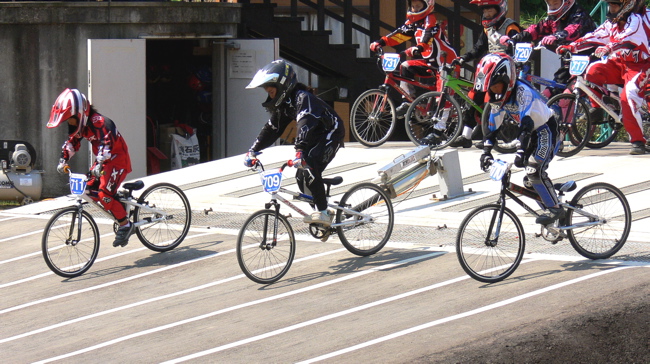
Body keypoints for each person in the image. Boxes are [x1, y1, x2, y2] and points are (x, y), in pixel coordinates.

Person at [244, 60, 345, 227]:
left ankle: (324, 213)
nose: (270, 96)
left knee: (310, 164)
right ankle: (321, 211)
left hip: (331, 132)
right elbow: (272, 129)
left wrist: (299, 150)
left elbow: (305, 123)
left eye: (271, 91)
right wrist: (252, 151)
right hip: (314, 136)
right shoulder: (285, 104)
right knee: (301, 176)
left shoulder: (303, 98)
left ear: (282, 86)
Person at [476, 53, 565, 225]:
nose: (493, 91)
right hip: (531, 134)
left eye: (495, 86)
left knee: (533, 169)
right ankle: (553, 211)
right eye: (490, 88)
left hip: (546, 130)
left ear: (507, 80)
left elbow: (525, 124)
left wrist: (521, 151)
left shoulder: (523, 92)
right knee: (530, 182)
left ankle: (555, 209)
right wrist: (486, 151)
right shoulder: (498, 97)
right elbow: (493, 124)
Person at [556, 0, 650, 155]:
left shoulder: (636, 20)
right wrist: (572, 46)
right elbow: (595, 35)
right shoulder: (611, 23)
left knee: (629, 95)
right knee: (592, 71)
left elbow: (629, 39)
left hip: (638, 65)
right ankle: (600, 107)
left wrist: (608, 47)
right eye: (609, 5)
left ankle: (638, 140)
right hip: (618, 62)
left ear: (625, 6)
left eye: (614, 6)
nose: (610, 9)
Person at [47, 88, 134, 247]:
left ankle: (125, 224)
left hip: (117, 160)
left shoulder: (100, 123)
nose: (70, 123)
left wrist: (99, 164)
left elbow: (106, 143)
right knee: (86, 190)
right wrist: (63, 160)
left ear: (80, 114)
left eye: (71, 119)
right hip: (103, 162)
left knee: (103, 194)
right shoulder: (82, 126)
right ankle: (118, 202)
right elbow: (72, 142)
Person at [448, 0, 522, 148]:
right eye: (485, 11)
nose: (487, 14)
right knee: (473, 98)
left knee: (494, 102)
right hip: (488, 68)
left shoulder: (511, 26)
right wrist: (463, 58)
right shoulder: (487, 28)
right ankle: (466, 136)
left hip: (506, 70)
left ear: (499, 9)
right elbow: (478, 48)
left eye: (490, 11)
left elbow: (520, 47)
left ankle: (490, 138)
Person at [369, 0, 458, 117]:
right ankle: (408, 101)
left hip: (446, 62)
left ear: (427, 6)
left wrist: (419, 47)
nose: (415, 9)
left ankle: (441, 127)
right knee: (405, 66)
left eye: (418, 6)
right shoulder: (412, 23)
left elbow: (427, 36)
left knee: (441, 99)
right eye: (413, 6)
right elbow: (398, 35)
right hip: (430, 63)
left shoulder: (430, 19)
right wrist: (380, 42)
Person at [500, 0, 596, 97]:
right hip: (569, 63)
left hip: (587, 64)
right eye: (550, 4)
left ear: (567, 2)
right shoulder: (554, 18)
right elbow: (536, 29)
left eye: (555, 3)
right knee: (546, 95)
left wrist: (556, 37)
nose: (552, 6)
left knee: (565, 100)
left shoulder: (580, 15)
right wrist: (514, 39)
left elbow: (573, 30)